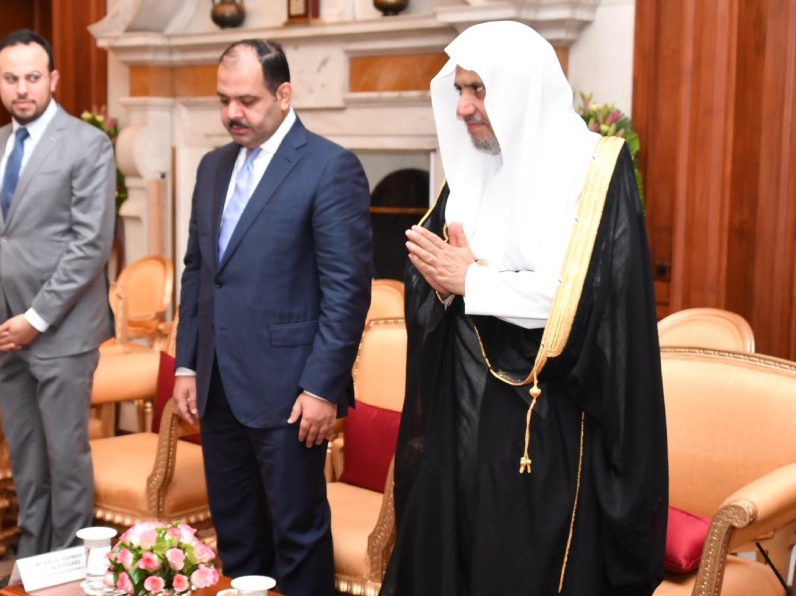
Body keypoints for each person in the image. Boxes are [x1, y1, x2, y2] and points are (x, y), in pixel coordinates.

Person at [382, 21, 667, 595]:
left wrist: (473, 280)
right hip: (464, 416)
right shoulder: (472, 168)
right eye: (458, 89)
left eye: (477, 90)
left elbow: (584, 297)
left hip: (549, 419)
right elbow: (442, 280)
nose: (462, 107)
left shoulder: (592, 168)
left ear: (521, 89)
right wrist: (446, 281)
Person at [172, 39, 372, 595]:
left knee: (297, 535)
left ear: (284, 95)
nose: (232, 113)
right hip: (217, 387)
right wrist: (187, 365)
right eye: (223, 100)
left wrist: (321, 387)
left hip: (291, 395)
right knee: (236, 535)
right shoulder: (213, 167)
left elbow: (347, 291)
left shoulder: (330, 167)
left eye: (247, 100)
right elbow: (198, 273)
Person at [0, 29, 115, 558]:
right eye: (12, 78)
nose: (22, 89)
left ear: (52, 79)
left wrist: (36, 317)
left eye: (33, 77)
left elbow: (91, 244)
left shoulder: (88, 143)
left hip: (62, 330)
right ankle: (31, 568)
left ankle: (71, 571)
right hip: (3, 331)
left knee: (65, 460)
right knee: (26, 459)